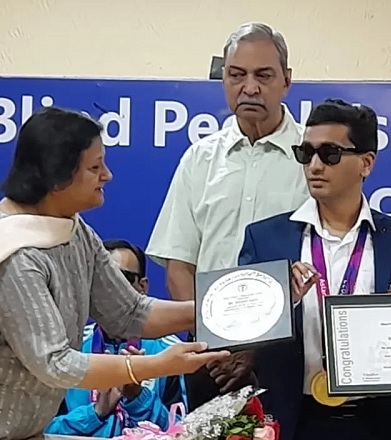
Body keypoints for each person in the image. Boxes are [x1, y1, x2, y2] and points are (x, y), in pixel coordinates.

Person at [0, 106, 228, 440]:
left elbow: (129, 311)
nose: (107, 175)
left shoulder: (74, 230)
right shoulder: (14, 253)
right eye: (95, 167)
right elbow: (55, 363)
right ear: (57, 177)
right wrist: (158, 365)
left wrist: (221, 311)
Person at [238, 99, 391, 440]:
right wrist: (280, 301)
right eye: (306, 153)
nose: (314, 165)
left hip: (378, 424)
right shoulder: (265, 239)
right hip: (291, 421)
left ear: (366, 163)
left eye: (329, 154)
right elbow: (241, 331)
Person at [146, 22, 308, 410]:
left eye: (263, 75)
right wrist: (213, 344)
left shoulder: (313, 158)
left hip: (290, 359)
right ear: (224, 81)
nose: (249, 88)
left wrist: (256, 350)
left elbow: (324, 265)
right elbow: (179, 266)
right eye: (237, 75)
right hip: (209, 360)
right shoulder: (198, 160)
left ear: (286, 81)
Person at [46, 239, 188, 438]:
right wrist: (95, 413)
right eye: (99, 279)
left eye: (122, 278)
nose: (110, 289)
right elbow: (41, 429)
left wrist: (137, 397)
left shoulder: (171, 352)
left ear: (142, 286)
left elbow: (186, 431)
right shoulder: (68, 348)